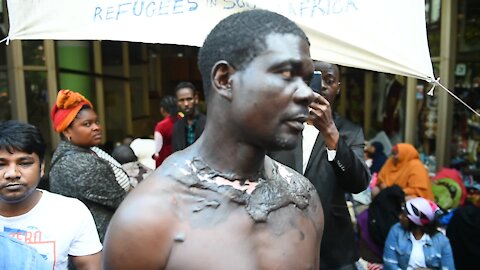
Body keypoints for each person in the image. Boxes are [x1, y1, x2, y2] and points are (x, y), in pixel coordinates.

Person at [103, 9, 323, 269]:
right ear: (225, 79)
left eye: (308, 79)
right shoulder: (148, 217)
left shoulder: (303, 198)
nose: (307, 93)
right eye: (286, 74)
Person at [270, 61, 370, 269]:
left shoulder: (350, 132)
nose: (322, 85)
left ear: (338, 88)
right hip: (280, 237)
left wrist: (331, 134)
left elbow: (359, 183)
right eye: (316, 78)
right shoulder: (280, 125)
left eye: (330, 80)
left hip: (331, 244)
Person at [0, 120, 102, 270]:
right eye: (1, 164)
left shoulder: (70, 212)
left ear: (42, 167)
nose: (12, 174)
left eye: (25, 163)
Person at [48, 89, 129, 242]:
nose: (96, 127)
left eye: (96, 122)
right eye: (87, 124)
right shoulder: (81, 164)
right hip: (99, 243)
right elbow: (122, 201)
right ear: (67, 131)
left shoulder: (74, 152)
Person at [383, 197, 455, 270]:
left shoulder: (442, 242)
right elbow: (389, 264)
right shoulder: (396, 230)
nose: (400, 217)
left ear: (414, 221)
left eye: (404, 215)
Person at [172, 81, 206, 152]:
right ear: (177, 103)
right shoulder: (177, 126)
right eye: (182, 100)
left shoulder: (207, 124)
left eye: (189, 99)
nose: (186, 104)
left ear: (196, 99)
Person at [153, 95, 180, 167]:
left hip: (167, 164)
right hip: (183, 161)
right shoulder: (183, 120)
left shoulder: (161, 126)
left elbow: (158, 150)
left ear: (162, 109)